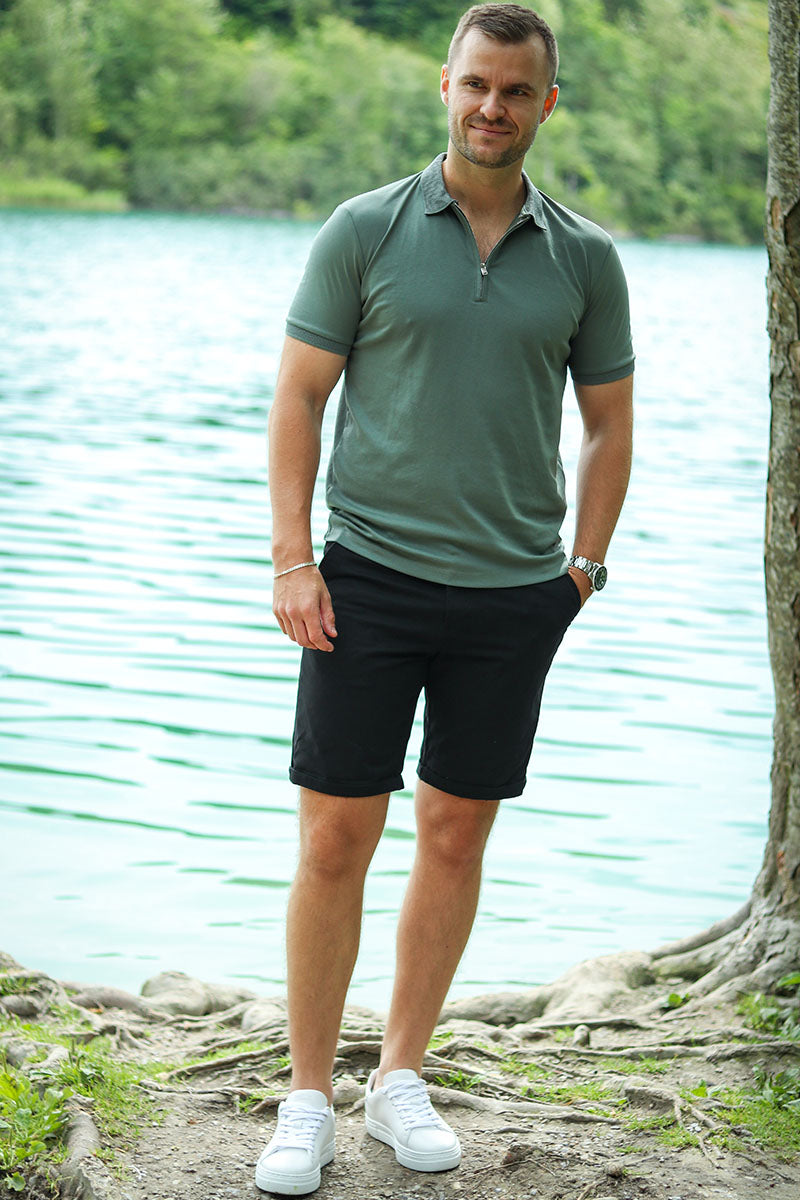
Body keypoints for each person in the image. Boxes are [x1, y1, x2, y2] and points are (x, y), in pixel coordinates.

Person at [256, 4, 634, 1194]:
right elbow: (298, 396)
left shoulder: (584, 258)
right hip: (363, 581)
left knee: (455, 834)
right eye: (475, 84)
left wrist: (582, 569)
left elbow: (608, 422)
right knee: (335, 837)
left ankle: (399, 1078)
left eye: (515, 90)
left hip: (512, 595)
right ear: (444, 85)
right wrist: (292, 560)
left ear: (545, 104)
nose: (491, 107)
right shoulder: (363, 229)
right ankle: (306, 1097)